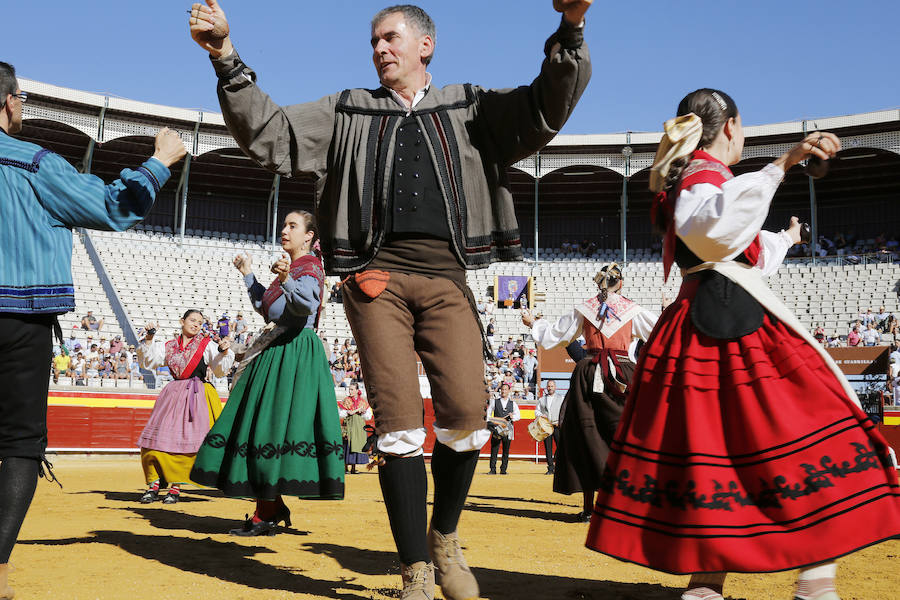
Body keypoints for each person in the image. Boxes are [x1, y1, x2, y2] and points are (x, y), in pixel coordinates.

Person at [188, 1, 592, 597]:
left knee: (467, 418)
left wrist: (572, 26)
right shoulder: (348, 108)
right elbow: (272, 134)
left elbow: (544, 104)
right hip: (374, 280)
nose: (379, 48)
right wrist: (226, 57)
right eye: (374, 41)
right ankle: (415, 569)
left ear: (426, 46)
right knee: (400, 426)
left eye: (391, 38)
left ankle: (444, 536)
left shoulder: (470, 105)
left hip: (448, 276)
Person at [586, 88, 900, 600]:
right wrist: (784, 161)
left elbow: (735, 247)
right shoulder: (705, 175)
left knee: (708, 449)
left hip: (702, 318)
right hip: (731, 326)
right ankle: (813, 579)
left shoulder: (697, 178)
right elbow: (715, 235)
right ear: (730, 126)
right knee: (813, 427)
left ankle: (709, 583)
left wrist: (788, 239)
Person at [0, 60, 185, 598]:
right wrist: (159, 161)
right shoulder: (35, 164)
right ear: (12, 102)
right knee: (17, 444)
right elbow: (113, 206)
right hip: (18, 317)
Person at [190, 210, 344, 536]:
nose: (284, 230)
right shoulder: (291, 269)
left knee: (268, 428)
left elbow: (304, 306)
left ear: (310, 237)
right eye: (284, 224)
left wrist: (287, 279)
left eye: (293, 226)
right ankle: (269, 506)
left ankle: (267, 509)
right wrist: (248, 274)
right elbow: (267, 308)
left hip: (293, 350)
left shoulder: (310, 266)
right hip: (278, 348)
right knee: (264, 427)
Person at [523, 263, 658, 521]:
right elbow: (661, 332)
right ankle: (626, 505)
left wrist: (533, 324)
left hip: (588, 372)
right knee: (626, 435)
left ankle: (589, 508)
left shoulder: (584, 308)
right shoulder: (632, 309)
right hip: (623, 374)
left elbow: (554, 336)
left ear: (598, 284)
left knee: (586, 436)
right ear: (621, 284)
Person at [136, 311, 234, 504]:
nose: (196, 325)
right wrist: (149, 338)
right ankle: (154, 484)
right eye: (192, 321)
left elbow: (220, 370)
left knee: (187, 444)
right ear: (182, 321)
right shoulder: (169, 346)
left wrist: (224, 351)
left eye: (200, 323)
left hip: (197, 396)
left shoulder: (207, 345)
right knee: (154, 440)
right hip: (173, 395)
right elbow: (149, 362)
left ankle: (175, 487)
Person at [338, 381, 373, 475]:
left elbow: (368, 416)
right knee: (347, 444)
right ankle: (346, 467)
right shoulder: (346, 400)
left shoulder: (363, 402)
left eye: (352, 389)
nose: (350, 391)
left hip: (359, 426)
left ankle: (353, 467)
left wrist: (362, 412)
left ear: (357, 390)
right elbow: (341, 414)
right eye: (349, 389)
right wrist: (349, 412)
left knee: (357, 444)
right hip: (349, 424)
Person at [487, 383, 520, 475]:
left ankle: (503, 469)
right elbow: (488, 413)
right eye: (502, 389)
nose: (504, 391)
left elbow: (518, 416)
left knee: (506, 450)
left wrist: (513, 417)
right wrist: (492, 422)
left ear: (509, 391)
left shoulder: (513, 403)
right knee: (494, 449)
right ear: (500, 390)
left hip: (508, 429)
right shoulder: (494, 401)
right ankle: (492, 469)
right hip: (497, 428)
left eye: (506, 389)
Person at [534, 380, 565, 474]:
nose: (550, 388)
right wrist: (540, 415)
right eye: (548, 386)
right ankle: (550, 468)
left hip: (557, 426)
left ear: (555, 387)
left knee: (561, 447)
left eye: (552, 386)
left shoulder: (561, 398)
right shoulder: (542, 399)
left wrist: (561, 422)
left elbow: (564, 411)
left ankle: (560, 467)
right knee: (548, 448)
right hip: (546, 426)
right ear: (546, 387)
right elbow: (536, 411)